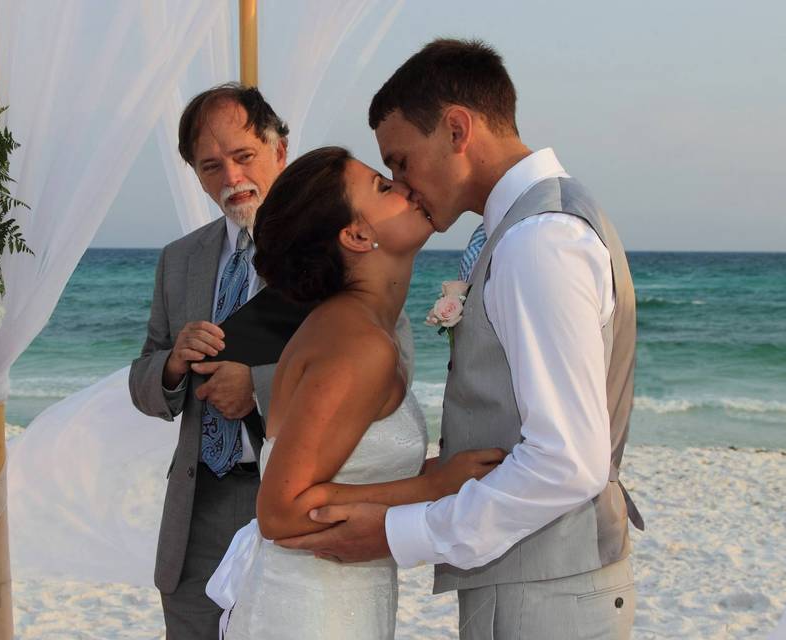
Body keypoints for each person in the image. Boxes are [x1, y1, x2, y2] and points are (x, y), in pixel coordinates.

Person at [278, 39, 645, 640]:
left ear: (455, 130)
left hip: (545, 591)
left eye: (400, 161)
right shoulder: (539, 222)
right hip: (541, 579)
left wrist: (401, 531)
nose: (403, 184)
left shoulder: (538, 241)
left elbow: (567, 462)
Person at [129, 84, 413, 639]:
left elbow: (389, 360)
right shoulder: (179, 260)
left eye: (243, 156)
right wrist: (171, 366)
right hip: (198, 511)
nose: (231, 178)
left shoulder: (338, 242)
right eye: (211, 166)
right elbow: (142, 380)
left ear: (279, 149)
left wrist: (257, 387)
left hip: (300, 508)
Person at [211, 146, 505, 640]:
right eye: (384, 188)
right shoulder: (357, 343)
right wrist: (431, 488)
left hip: (335, 599)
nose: (407, 187)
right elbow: (280, 511)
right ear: (357, 234)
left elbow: (341, 467)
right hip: (310, 612)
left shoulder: (358, 329)